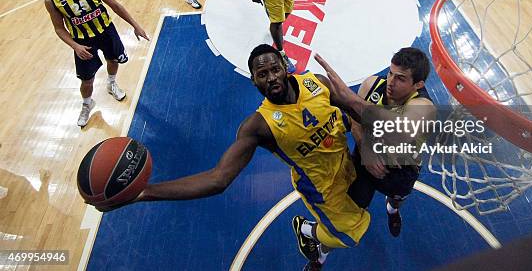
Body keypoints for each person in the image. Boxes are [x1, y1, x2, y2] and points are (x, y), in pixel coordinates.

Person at [95, 45, 370, 271]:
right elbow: (218, 179)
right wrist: (145, 192)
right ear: (253, 81)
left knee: (378, 188)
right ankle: (308, 233)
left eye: (275, 69)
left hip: (348, 162)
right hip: (321, 189)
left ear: (285, 67)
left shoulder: (316, 83)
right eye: (262, 74)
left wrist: (362, 140)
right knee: (347, 235)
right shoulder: (258, 127)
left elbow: (351, 112)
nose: (271, 77)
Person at [43, 0, 149, 128]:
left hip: (107, 31)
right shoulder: (51, 0)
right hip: (83, 41)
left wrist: (135, 25)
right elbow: (59, 28)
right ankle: (87, 103)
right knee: (87, 80)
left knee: (113, 60)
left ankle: (112, 83)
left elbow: (115, 6)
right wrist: (75, 46)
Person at [347, 47, 436, 237]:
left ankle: (392, 209)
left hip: (400, 171)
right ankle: (319, 255)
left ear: (418, 84)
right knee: (354, 209)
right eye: (390, 73)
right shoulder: (371, 84)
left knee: (396, 200)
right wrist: (366, 150)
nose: (391, 82)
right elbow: (354, 120)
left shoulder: (423, 107)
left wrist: (347, 99)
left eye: (400, 78)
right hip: (364, 161)